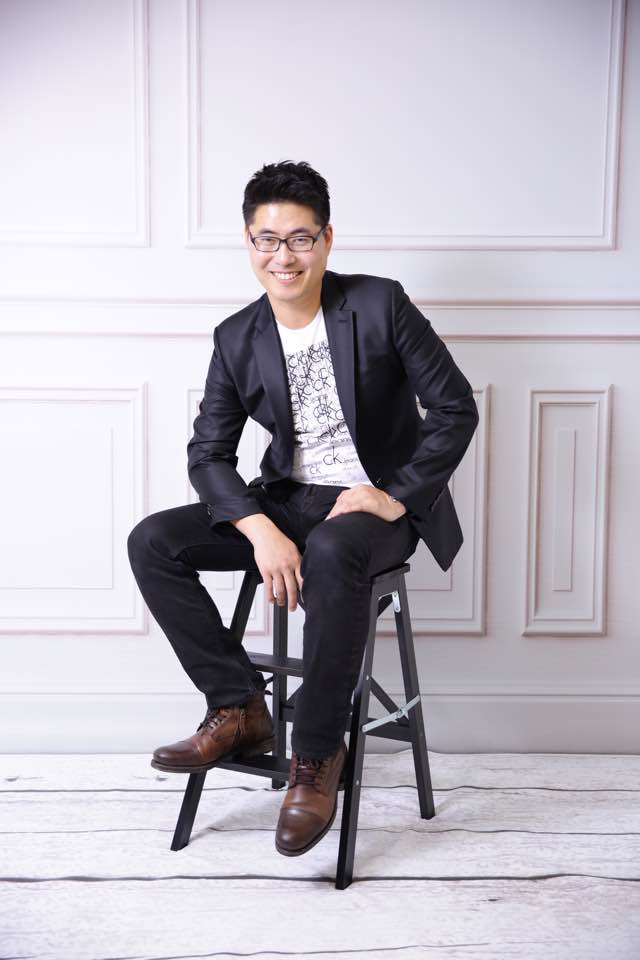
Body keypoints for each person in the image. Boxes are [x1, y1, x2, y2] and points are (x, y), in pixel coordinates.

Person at [127, 160, 478, 858]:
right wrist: (259, 528)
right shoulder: (237, 336)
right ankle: (239, 708)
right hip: (288, 504)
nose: (282, 257)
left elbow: (454, 408)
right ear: (249, 242)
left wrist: (396, 494)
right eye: (267, 239)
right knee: (153, 541)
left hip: (373, 509)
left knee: (333, 546)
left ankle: (316, 757)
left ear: (326, 240)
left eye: (299, 239)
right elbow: (208, 454)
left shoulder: (379, 303)